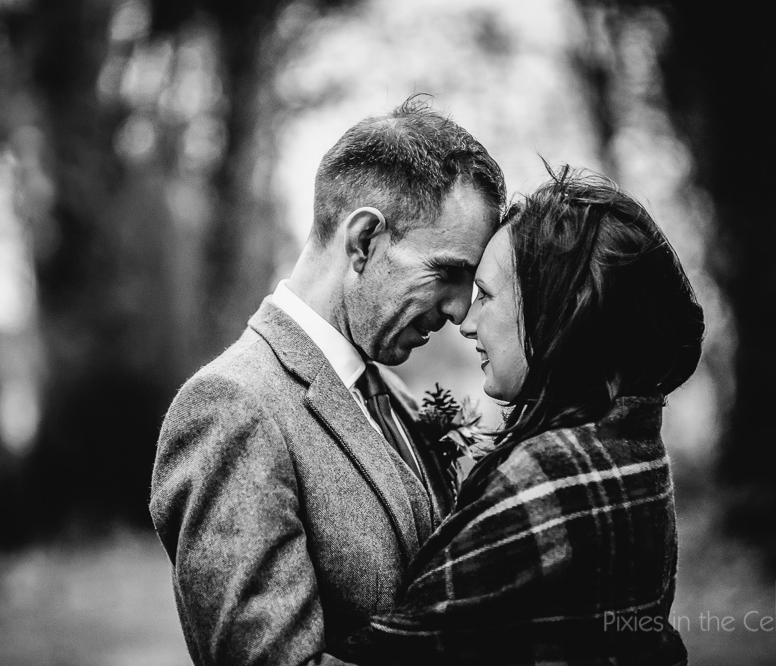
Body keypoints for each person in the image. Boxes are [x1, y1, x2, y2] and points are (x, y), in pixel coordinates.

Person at [149, 97, 506, 666]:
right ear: (364, 241)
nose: (461, 311)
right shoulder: (233, 407)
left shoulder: (396, 396)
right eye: (448, 273)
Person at [335, 165, 703, 665]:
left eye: (485, 295)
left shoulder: (548, 475)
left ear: (562, 310)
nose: (464, 321)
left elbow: (388, 654)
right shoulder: (633, 442)